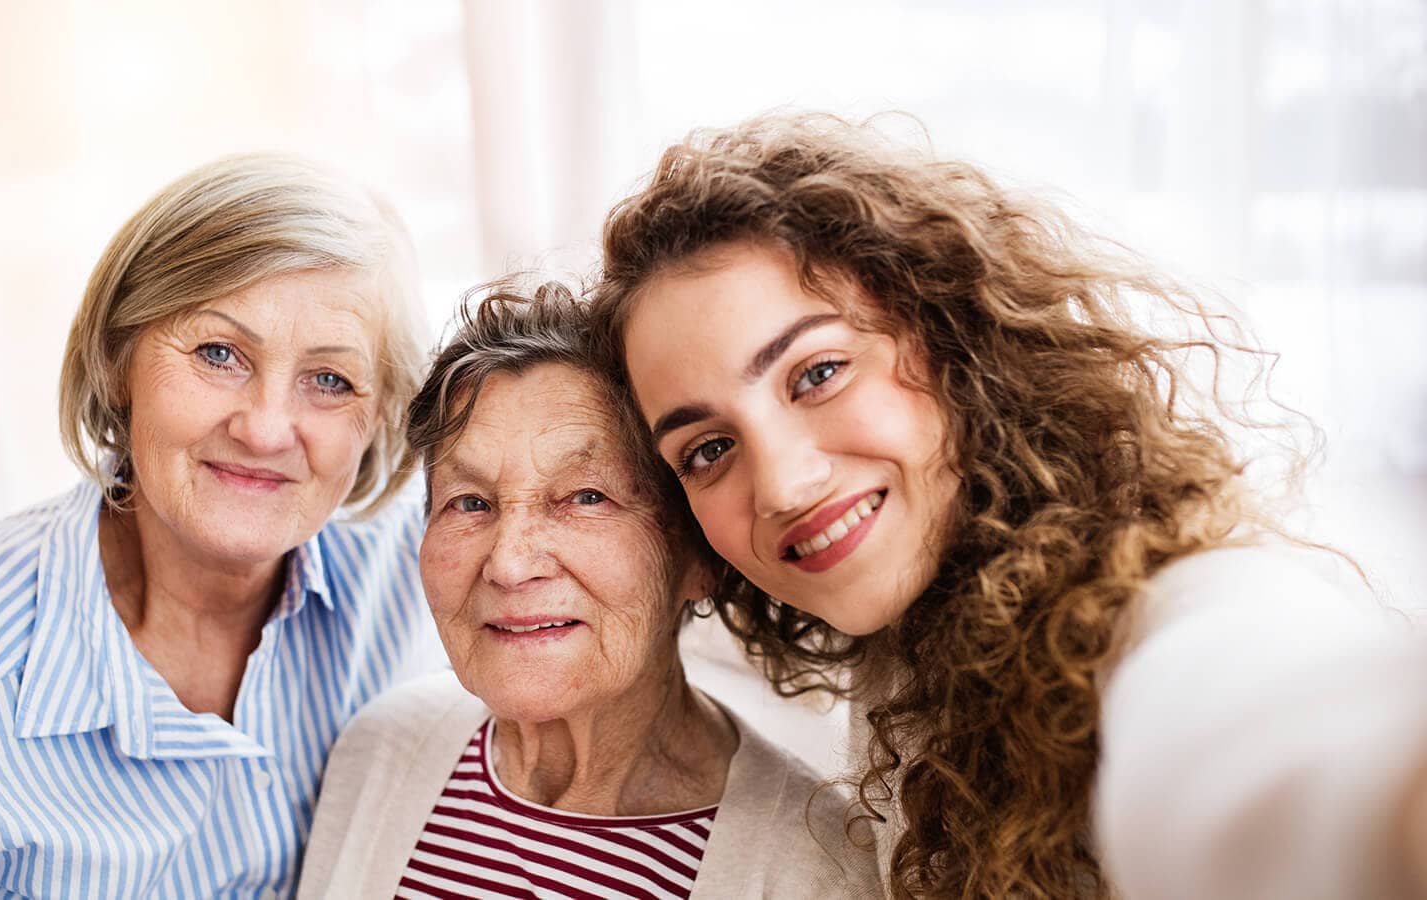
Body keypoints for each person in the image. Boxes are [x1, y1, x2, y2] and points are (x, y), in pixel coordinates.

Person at [589, 112, 1427, 899]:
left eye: (817, 373)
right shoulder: (911, 620)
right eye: (708, 450)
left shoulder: (1175, 613)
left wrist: (1377, 800)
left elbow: (1267, 731)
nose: (782, 485)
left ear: (952, 338)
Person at [0, 154, 444, 898]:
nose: (265, 428)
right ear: (120, 360)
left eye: (329, 381)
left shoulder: (430, 573)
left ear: (379, 418)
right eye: (219, 354)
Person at [297, 282, 882, 898]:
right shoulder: (381, 749)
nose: (509, 564)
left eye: (586, 497)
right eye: (470, 503)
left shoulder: (819, 867)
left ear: (697, 556)